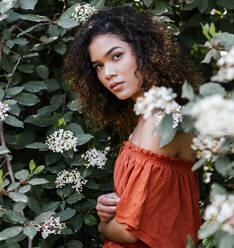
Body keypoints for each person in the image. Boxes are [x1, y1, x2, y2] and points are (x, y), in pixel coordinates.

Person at [64, 7, 202, 248]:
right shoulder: (148, 116)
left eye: (116, 56)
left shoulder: (162, 119)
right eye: (98, 66)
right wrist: (111, 205)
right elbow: (144, 204)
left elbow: (129, 231)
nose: (108, 73)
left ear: (144, 51)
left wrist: (102, 226)